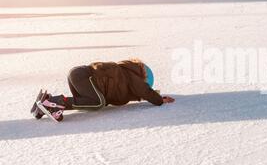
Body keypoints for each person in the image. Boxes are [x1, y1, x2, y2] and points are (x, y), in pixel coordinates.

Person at [30, 59, 175, 122]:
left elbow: (131, 92)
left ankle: (46, 105)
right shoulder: (131, 74)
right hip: (83, 76)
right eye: (146, 83)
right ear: (143, 77)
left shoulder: (124, 75)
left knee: (87, 102)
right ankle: (53, 102)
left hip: (79, 74)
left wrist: (145, 95)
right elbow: (143, 89)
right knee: (98, 102)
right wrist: (158, 99)